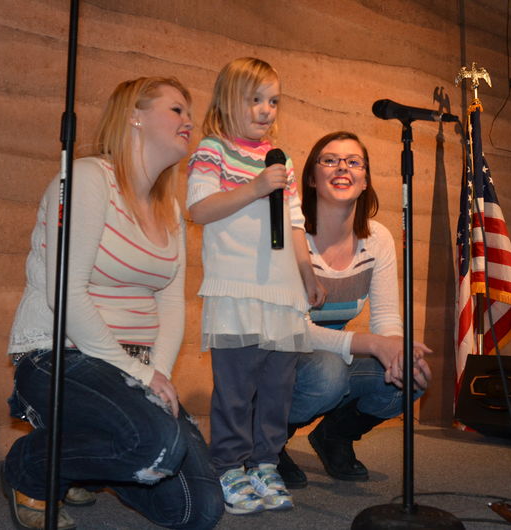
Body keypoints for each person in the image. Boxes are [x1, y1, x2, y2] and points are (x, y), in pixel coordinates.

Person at [2, 77, 223, 530]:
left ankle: (85, 460)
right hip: (60, 355)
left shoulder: (169, 210)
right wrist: (143, 376)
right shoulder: (85, 178)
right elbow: (65, 293)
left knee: (196, 511)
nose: (189, 120)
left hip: (132, 366)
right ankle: (30, 467)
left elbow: (171, 306)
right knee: (156, 443)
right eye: (176, 109)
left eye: (189, 112)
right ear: (134, 117)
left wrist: (156, 377)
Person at [186, 57, 325, 515]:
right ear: (229, 99)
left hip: (282, 294)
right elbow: (200, 209)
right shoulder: (213, 149)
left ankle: (265, 463)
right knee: (236, 386)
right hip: (238, 290)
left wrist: (307, 274)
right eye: (255, 99)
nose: (266, 109)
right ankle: (228, 465)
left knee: (277, 388)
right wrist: (255, 186)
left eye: (273, 101)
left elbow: (296, 223)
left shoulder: (280, 160)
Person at [277, 131, 432, 488]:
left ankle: (333, 436)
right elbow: (295, 329)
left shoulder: (377, 238)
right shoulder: (290, 236)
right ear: (312, 179)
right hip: (278, 355)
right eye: (329, 160)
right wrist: (374, 345)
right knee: (327, 372)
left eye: (353, 162)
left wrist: (395, 351)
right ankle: (269, 439)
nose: (342, 167)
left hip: (328, 355)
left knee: (410, 375)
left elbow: (387, 319)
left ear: (365, 181)